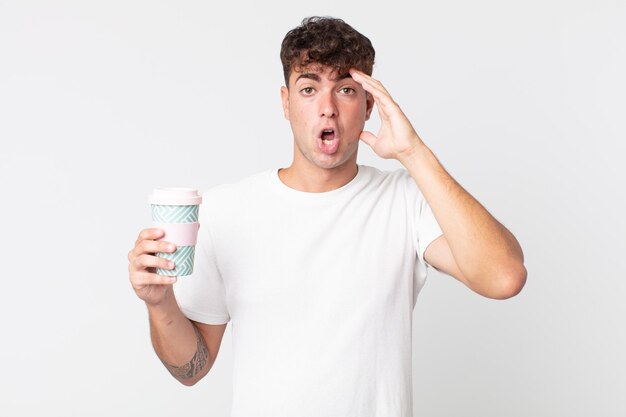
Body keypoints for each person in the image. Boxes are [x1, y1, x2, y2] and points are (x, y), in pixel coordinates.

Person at [127, 16, 527, 417]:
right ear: (285, 102)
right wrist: (159, 303)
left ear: (370, 106)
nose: (328, 109)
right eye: (308, 89)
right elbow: (190, 368)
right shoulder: (224, 210)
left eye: (346, 90)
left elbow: (504, 276)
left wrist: (413, 152)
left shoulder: (405, 200)